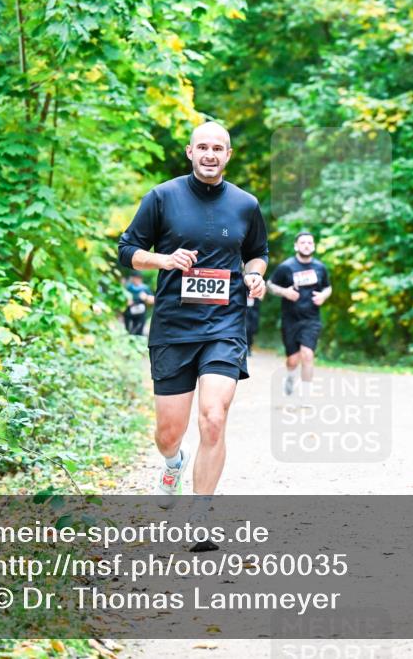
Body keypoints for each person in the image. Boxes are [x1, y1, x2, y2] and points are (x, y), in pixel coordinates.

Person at [117, 121, 268, 543]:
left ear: (228, 155)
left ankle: (200, 518)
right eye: (203, 146)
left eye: (218, 148)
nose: (210, 154)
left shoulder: (245, 204)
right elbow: (126, 251)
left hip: (224, 326)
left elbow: (257, 253)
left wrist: (254, 277)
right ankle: (171, 464)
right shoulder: (162, 197)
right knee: (169, 433)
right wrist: (164, 261)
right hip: (173, 327)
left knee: (214, 417)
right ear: (189, 151)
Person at [267, 231, 331, 399]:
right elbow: (270, 285)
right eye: (302, 242)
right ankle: (290, 377)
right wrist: (285, 292)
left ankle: (306, 394)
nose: (306, 245)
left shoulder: (320, 267)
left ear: (314, 246)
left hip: (311, 318)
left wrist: (323, 296)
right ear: (296, 246)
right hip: (290, 319)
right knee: (293, 360)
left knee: (307, 354)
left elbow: (328, 287)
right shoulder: (286, 267)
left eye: (310, 243)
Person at [122, 271, 154, 336]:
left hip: (140, 314)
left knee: (138, 333)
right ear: (132, 278)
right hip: (129, 313)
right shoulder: (128, 287)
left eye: (138, 278)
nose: (137, 280)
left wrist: (146, 297)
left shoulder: (145, 288)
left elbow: (152, 300)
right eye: (135, 278)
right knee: (128, 332)